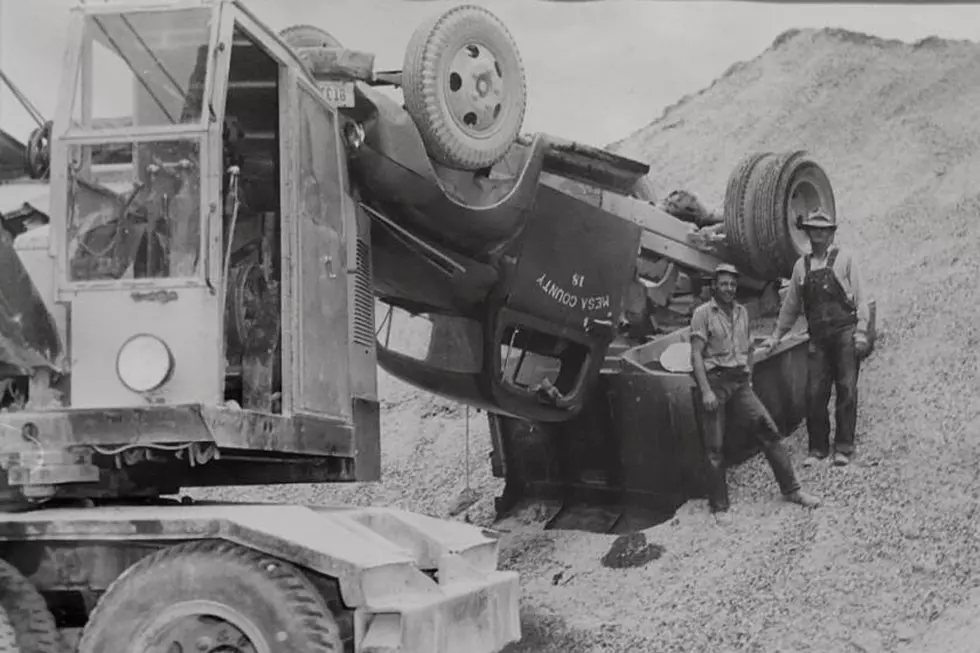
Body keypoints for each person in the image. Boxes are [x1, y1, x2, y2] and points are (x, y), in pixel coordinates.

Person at [690, 263, 821, 525]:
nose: (728, 288)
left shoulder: (742, 312)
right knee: (715, 448)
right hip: (714, 383)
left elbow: (749, 347)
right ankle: (719, 506)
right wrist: (705, 391)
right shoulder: (702, 314)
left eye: (732, 284)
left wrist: (747, 377)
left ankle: (792, 490)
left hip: (738, 383)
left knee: (769, 431)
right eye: (723, 283)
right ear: (714, 286)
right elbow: (695, 354)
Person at [761, 209, 870, 468]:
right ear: (807, 233)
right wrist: (776, 336)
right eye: (814, 229)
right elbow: (790, 307)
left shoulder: (845, 259)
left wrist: (862, 330)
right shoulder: (801, 266)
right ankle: (818, 448)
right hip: (818, 339)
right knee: (814, 393)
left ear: (831, 233)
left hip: (844, 333)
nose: (818, 234)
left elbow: (861, 297)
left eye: (824, 230)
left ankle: (843, 447)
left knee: (846, 389)